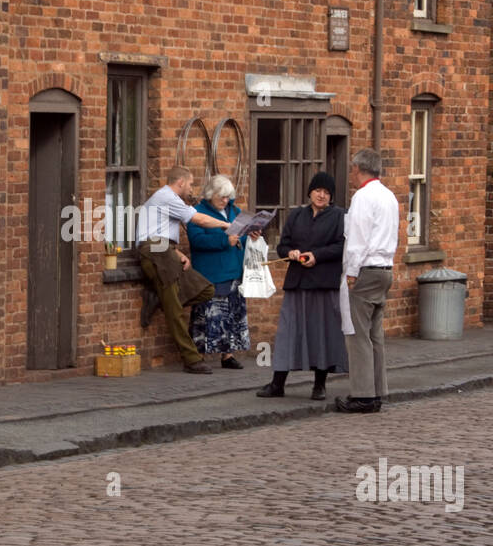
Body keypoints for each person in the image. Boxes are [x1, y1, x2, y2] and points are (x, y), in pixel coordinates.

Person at [135, 165, 236, 375]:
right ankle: (191, 359)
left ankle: (159, 296)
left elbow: (158, 232)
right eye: (190, 184)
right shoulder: (168, 197)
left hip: (162, 249)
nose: (191, 188)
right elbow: (198, 218)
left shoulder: (164, 200)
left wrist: (176, 252)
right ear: (180, 182)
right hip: (156, 251)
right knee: (175, 311)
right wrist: (225, 226)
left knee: (205, 290)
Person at [256, 171, 346, 401]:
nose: (321, 195)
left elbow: (341, 247)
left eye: (326, 192)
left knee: (321, 334)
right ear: (310, 192)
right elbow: (283, 245)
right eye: (318, 191)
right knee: (288, 332)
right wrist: (291, 252)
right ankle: (278, 384)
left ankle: (319, 385)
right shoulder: (296, 215)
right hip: (297, 282)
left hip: (324, 284)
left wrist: (317, 255)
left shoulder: (340, 216)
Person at [335, 148, 400, 414]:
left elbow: (358, 238)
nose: (350, 175)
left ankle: (362, 394)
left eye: (351, 170)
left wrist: (351, 271)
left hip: (366, 269)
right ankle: (376, 391)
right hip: (385, 268)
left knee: (358, 334)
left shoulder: (363, 196)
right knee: (375, 334)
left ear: (359, 169)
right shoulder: (390, 197)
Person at [186, 174, 256, 370]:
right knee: (206, 315)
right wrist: (224, 241)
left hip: (233, 271)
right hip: (211, 273)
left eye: (228, 197)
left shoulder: (234, 211)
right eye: (221, 197)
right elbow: (197, 241)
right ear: (210, 195)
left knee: (232, 315)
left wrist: (251, 235)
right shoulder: (197, 213)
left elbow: (241, 239)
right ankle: (197, 355)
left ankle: (228, 355)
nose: (225, 201)